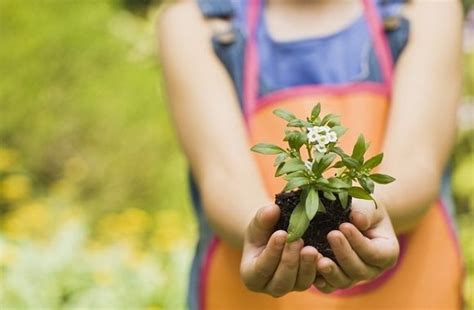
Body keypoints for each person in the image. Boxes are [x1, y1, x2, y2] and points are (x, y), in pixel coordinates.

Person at [157, 0, 464, 308]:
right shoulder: (200, 23)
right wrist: (270, 232)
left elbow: (418, 164)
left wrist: (364, 211)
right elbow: (222, 177)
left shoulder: (421, 9)